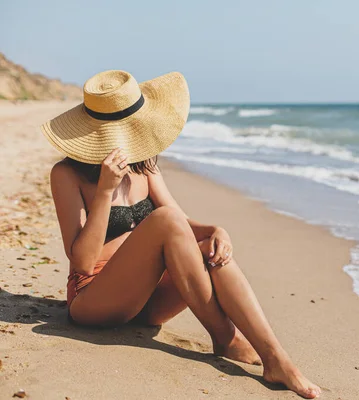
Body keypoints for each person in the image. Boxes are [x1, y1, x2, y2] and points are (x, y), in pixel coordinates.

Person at [41, 70, 321, 399]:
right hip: (94, 301)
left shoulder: (143, 165)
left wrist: (215, 230)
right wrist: (104, 193)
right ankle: (225, 337)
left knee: (211, 250)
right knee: (166, 220)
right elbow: (83, 262)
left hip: (146, 304)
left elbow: (182, 224)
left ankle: (276, 357)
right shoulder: (66, 173)